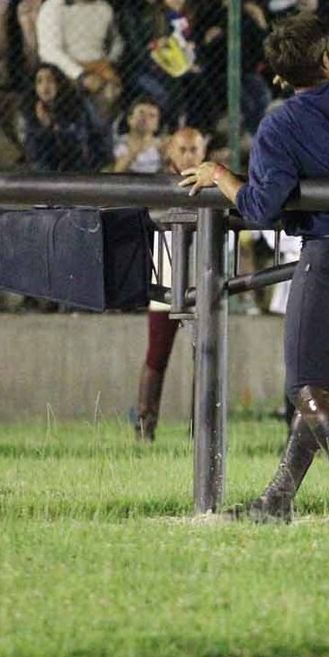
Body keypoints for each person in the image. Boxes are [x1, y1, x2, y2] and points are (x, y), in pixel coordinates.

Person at [182, 13, 329, 525]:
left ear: (279, 78)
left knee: (306, 388)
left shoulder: (280, 122)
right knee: (320, 385)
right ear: (328, 56)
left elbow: (259, 207)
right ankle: (276, 500)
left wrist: (219, 174)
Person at [129, 124, 208, 442]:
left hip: (203, 267)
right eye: (183, 150)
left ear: (204, 151)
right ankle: (145, 425)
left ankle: (201, 429)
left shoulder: (213, 180)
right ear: (170, 152)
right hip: (165, 269)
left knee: (206, 351)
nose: (189, 156)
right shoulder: (161, 184)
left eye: (194, 149)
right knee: (158, 352)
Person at [35, 0, 124, 119]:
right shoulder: (52, 7)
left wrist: (108, 62)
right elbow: (50, 51)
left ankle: (101, 134)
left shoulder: (105, 8)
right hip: (64, 70)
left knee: (112, 88)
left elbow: (116, 41)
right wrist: (80, 75)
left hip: (98, 66)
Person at [18, 63, 107, 171]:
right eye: (39, 82)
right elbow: (34, 153)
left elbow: (79, 147)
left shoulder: (76, 107)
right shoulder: (30, 112)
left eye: (50, 80)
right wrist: (45, 129)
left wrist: (54, 128)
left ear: (59, 84)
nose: (45, 86)